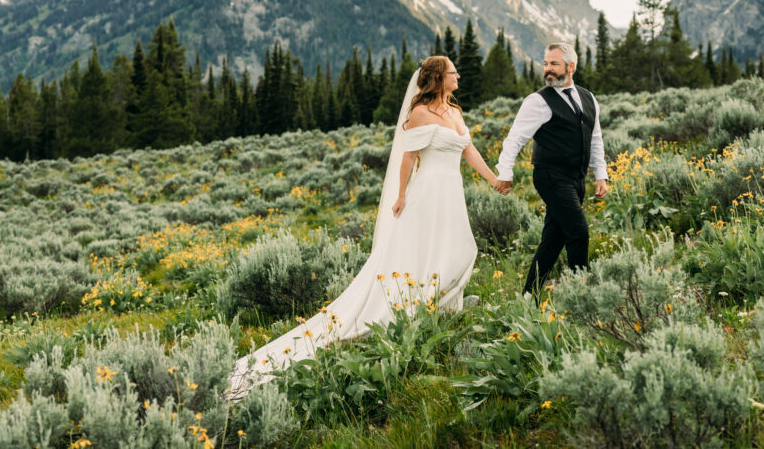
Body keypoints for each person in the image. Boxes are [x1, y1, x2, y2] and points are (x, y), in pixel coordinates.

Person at [227, 55, 499, 400]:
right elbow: (408, 157)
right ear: (437, 78)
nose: (458, 76)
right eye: (452, 72)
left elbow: (469, 150)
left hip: (452, 193)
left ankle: (443, 306)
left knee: (460, 246)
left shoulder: (456, 113)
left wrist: (493, 180)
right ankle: (423, 309)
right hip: (428, 192)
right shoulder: (420, 113)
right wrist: (400, 196)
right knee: (422, 252)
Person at [493, 43, 608, 303]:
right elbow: (514, 139)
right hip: (550, 176)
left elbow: (596, 138)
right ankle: (582, 300)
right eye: (545, 64)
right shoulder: (537, 101)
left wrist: (600, 174)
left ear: (571, 66)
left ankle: (527, 299)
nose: (548, 70)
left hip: (576, 178)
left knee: (552, 241)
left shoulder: (589, 98)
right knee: (578, 232)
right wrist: (505, 171)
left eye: (554, 64)